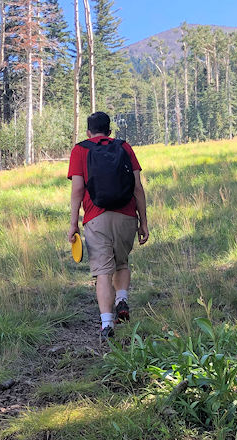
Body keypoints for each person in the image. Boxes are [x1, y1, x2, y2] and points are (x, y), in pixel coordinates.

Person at [67, 111, 149, 340]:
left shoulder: (80, 149)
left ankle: (106, 324)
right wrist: (143, 221)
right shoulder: (124, 147)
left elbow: (77, 190)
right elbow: (138, 188)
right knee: (121, 263)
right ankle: (122, 298)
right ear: (110, 131)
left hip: (96, 217)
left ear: (88, 132)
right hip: (126, 216)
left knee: (103, 272)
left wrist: (74, 223)